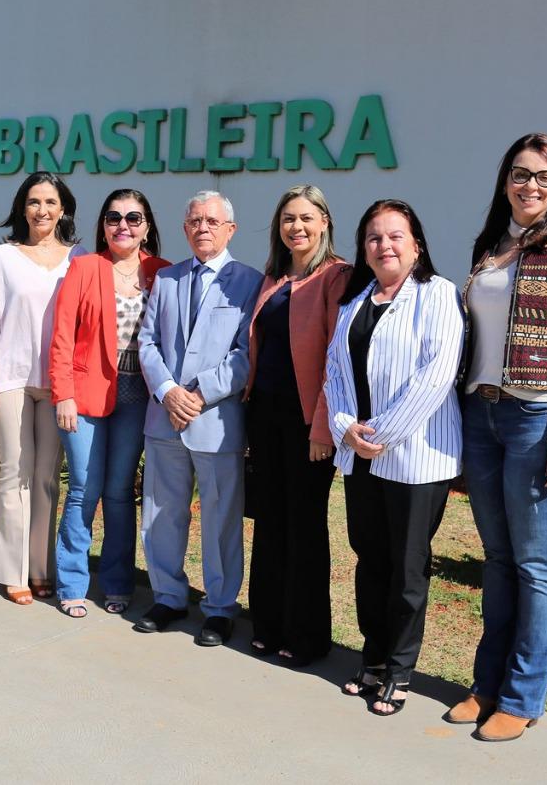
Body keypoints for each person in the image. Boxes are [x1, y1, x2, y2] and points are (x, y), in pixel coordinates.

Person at [446, 133, 547, 742]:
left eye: (544, 177)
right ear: (504, 181)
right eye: (520, 174)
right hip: (481, 417)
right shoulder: (491, 246)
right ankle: (486, 684)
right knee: (497, 557)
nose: (530, 185)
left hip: (538, 420)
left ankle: (521, 695)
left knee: (537, 564)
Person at [324, 199, 463, 715]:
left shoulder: (439, 295)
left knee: (406, 569)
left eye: (395, 235)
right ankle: (375, 658)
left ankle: (400, 670)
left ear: (417, 244)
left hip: (416, 457)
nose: (384, 245)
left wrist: (378, 434)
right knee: (370, 561)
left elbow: (435, 375)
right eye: (374, 237)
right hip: (361, 455)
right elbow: (335, 374)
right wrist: (344, 427)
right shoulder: (354, 302)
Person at [134, 190, 263, 647]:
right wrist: (169, 391)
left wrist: (199, 393)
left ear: (230, 229)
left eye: (211, 220)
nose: (201, 227)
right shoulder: (166, 279)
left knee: (220, 517)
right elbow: (146, 342)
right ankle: (168, 596)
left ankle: (220, 607)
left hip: (216, 419)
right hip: (164, 417)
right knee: (162, 514)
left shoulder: (250, 281)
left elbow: (247, 353)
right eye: (193, 221)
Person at [243, 184, 352, 666]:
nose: (297, 227)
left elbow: (337, 359)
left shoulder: (337, 277)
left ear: (324, 222)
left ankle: (306, 635)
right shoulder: (272, 277)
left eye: (306, 218)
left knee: (304, 527)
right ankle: (267, 622)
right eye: (289, 218)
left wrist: (322, 430)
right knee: (268, 522)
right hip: (264, 416)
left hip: (308, 421)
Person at [49, 189, 171, 617]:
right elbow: (62, 336)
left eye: (134, 218)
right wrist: (61, 392)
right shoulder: (84, 268)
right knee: (85, 486)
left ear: (147, 227)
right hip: (84, 395)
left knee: (120, 492)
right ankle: (71, 582)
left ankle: (118, 582)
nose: (124, 225)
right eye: (114, 217)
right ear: (102, 224)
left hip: (139, 396)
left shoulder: (162, 273)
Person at [0, 172, 86, 605]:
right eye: (34, 202)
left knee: (45, 479)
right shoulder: (4, 257)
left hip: (57, 384)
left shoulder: (78, 260)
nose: (42, 210)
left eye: (50, 202)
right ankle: (12, 571)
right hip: (11, 380)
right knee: (14, 473)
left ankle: (42, 569)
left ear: (63, 209)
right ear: (23, 208)